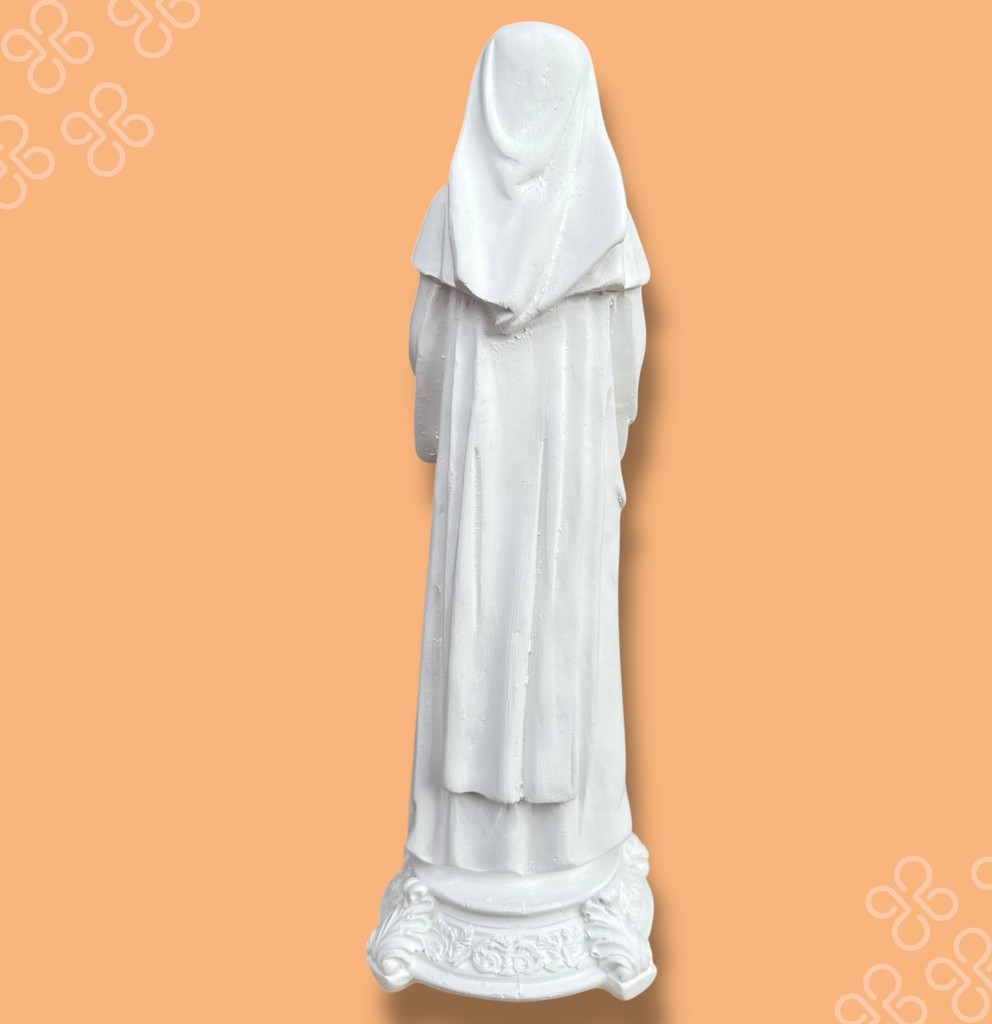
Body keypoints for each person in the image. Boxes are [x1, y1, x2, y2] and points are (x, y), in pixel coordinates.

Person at [403, 20, 650, 876]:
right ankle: (572, 848)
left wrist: (439, 443)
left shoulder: (454, 218)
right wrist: (605, 459)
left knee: (475, 632)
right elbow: (624, 372)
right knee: (562, 649)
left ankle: (460, 855)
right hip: (568, 486)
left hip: (481, 490)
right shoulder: (605, 229)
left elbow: (428, 355)